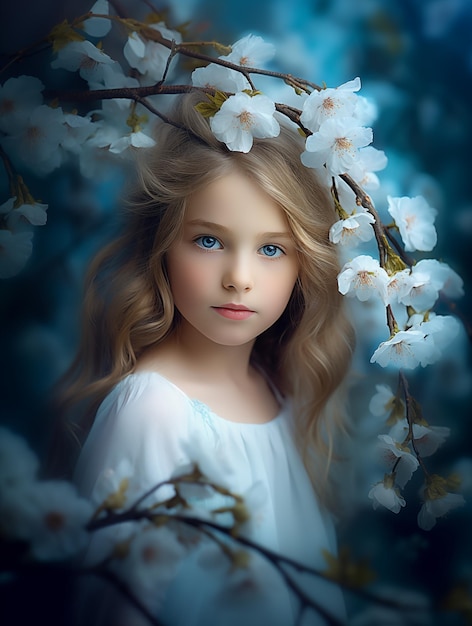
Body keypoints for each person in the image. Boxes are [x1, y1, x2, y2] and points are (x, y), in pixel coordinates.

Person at [56, 91, 355, 626]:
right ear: (163, 244)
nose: (239, 278)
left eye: (271, 249)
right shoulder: (154, 415)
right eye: (210, 241)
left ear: (303, 264)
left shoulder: (279, 388)